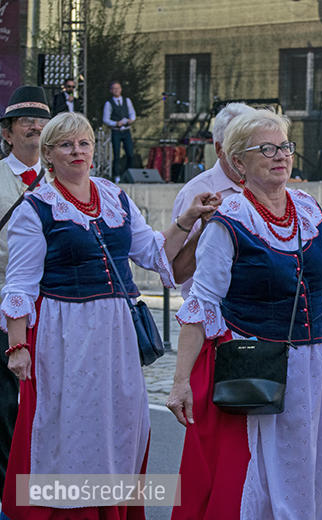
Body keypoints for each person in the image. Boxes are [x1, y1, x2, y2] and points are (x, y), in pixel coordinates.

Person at [0, 111, 218, 519]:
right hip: (65, 332)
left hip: (117, 332)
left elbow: (154, 252)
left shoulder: (114, 196)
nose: (77, 152)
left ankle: (110, 510)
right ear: (48, 154)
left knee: (121, 421)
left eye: (83, 143)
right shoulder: (37, 208)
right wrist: (18, 346)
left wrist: (187, 220)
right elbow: (20, 285)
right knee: (70, 427)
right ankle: (69, 512)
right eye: (66, 145)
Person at [166, 109, 322, 519]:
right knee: (270, 473)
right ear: (239, 162)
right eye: (267, 149)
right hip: (262, 364)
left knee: (318, 465)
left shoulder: (309, 209)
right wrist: (180, 381)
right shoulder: (229, 220)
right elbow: (202, 303)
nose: (281, 156)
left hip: (317, 361)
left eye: (285, 148)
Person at [0, 85, 51, 497]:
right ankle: (7, 495)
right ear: (7, 133)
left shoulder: (69, 179)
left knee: (50, 409)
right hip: (4, 310)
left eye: (42, 120)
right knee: (5, 411)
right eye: (26, 121)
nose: (36, 127)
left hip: (55, 313)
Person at [171, 102, 257, 299]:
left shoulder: (267, 188)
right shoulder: (195, 192)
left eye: (252, 145)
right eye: (238, 145)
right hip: (212, 321)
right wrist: (205, 229)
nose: (247, 154)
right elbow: (178, 273)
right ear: (219, 149)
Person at [103, 81, 136, 177]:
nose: (117, 90)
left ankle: (128, 173)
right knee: (116, 154)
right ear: (111, 91)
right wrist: (116, 123)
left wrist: (130, 120)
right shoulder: (109, 104)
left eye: (118, 88)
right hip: (116, 131)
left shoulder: (127, 101)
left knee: (130, 153)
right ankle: (116, 175)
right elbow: (106, 119)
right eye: (114, 89)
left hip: (126, 130)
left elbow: (132, 113)